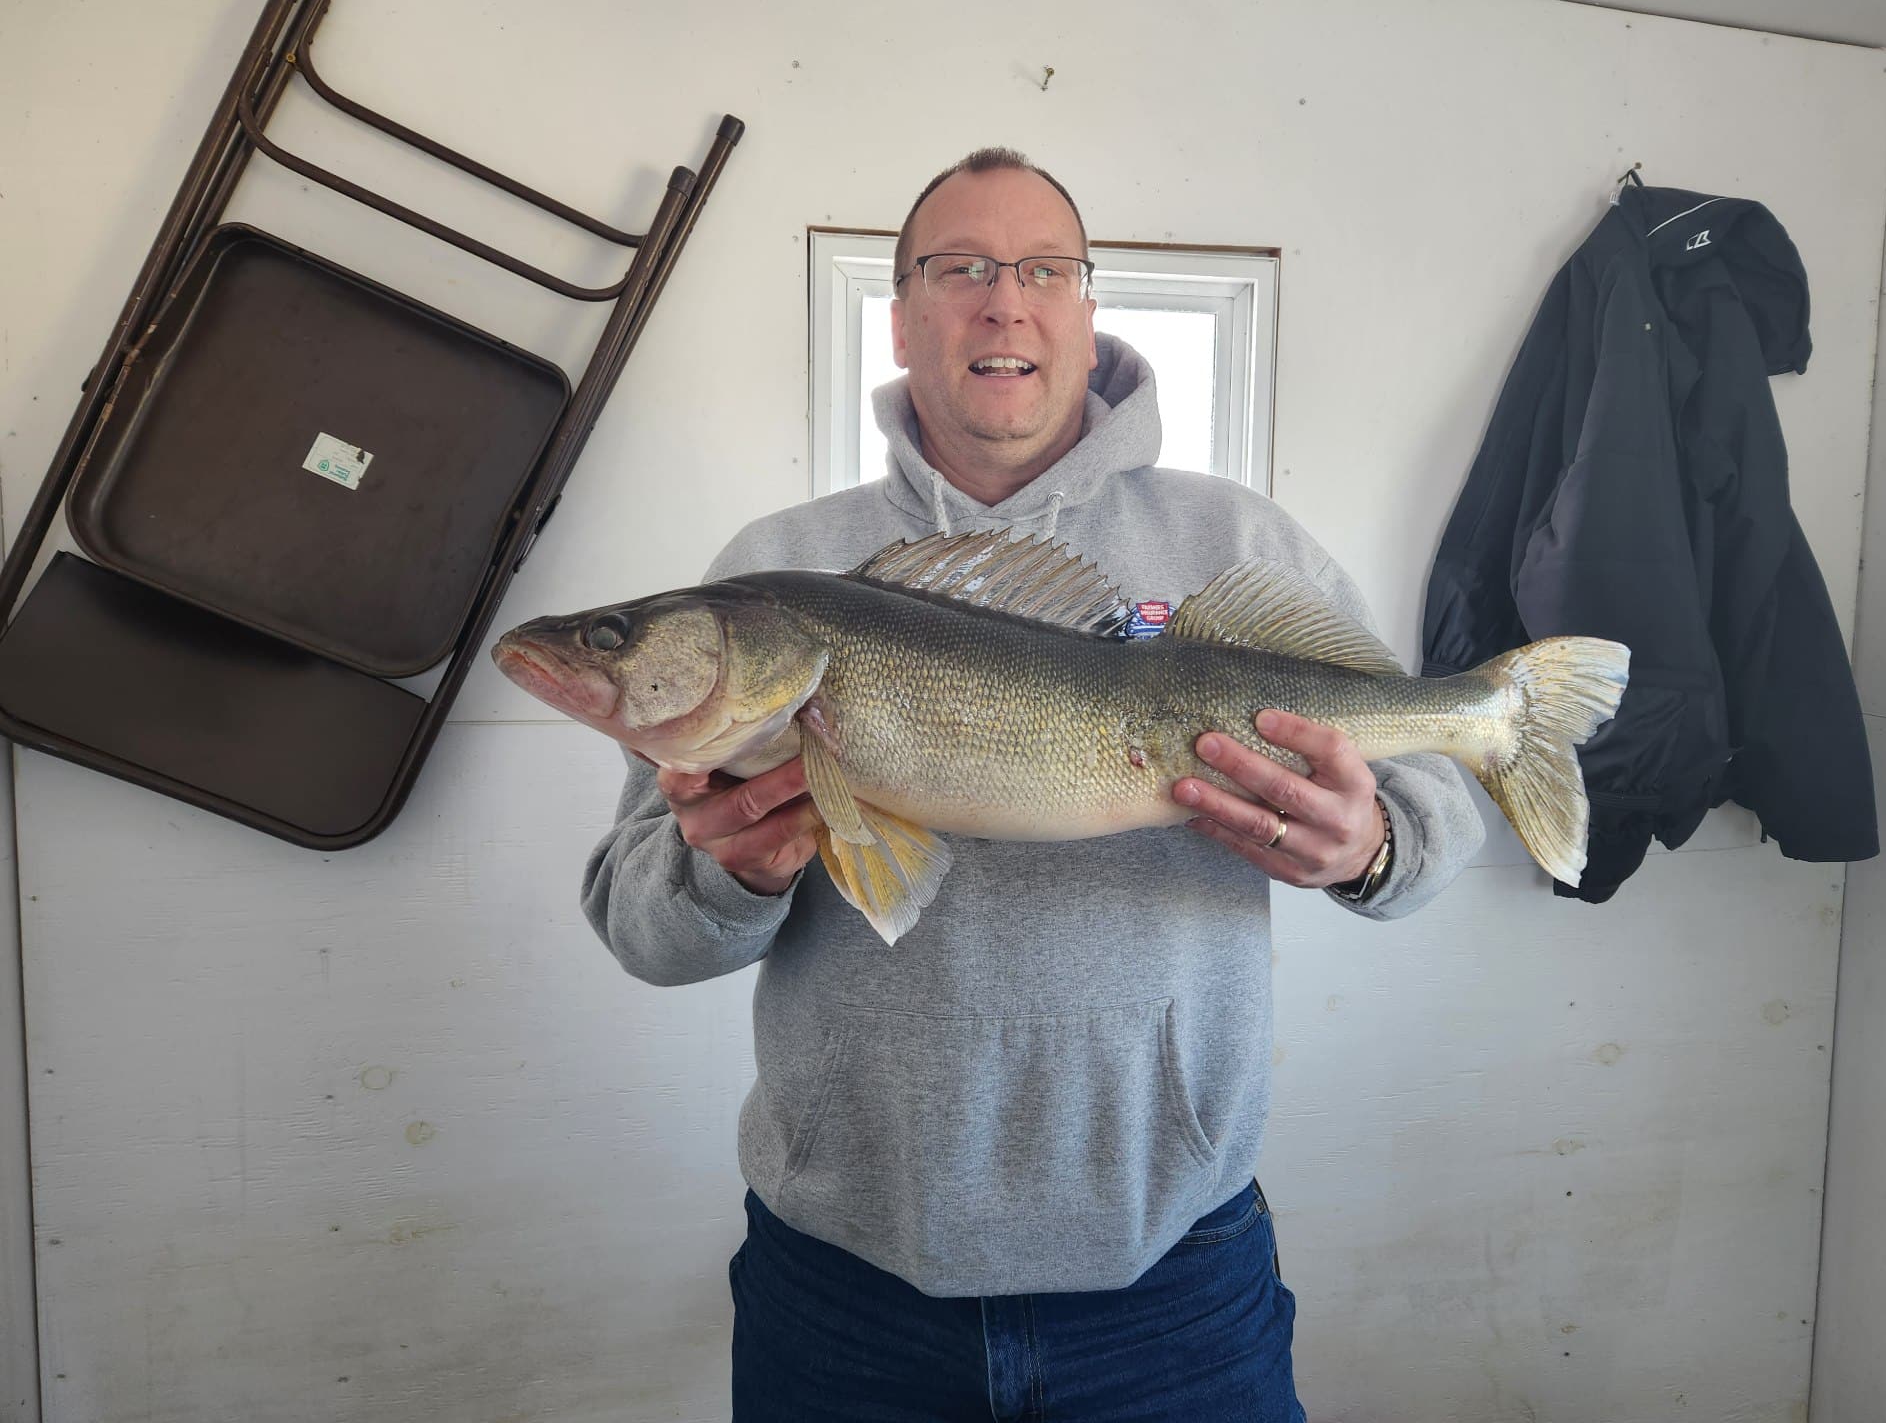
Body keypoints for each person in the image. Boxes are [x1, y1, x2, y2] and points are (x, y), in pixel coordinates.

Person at [582, 147, 1486, 1421]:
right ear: (900, 317)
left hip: (1174, 1280)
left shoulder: (1235, 543)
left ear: (1084, 309)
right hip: (845, 1288)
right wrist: (724, 872)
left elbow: (1431, 810)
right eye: (958, 269)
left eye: (1042, 269)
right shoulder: (770, 579)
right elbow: (641, 928)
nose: (1002, 302)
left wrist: (1368, 846)